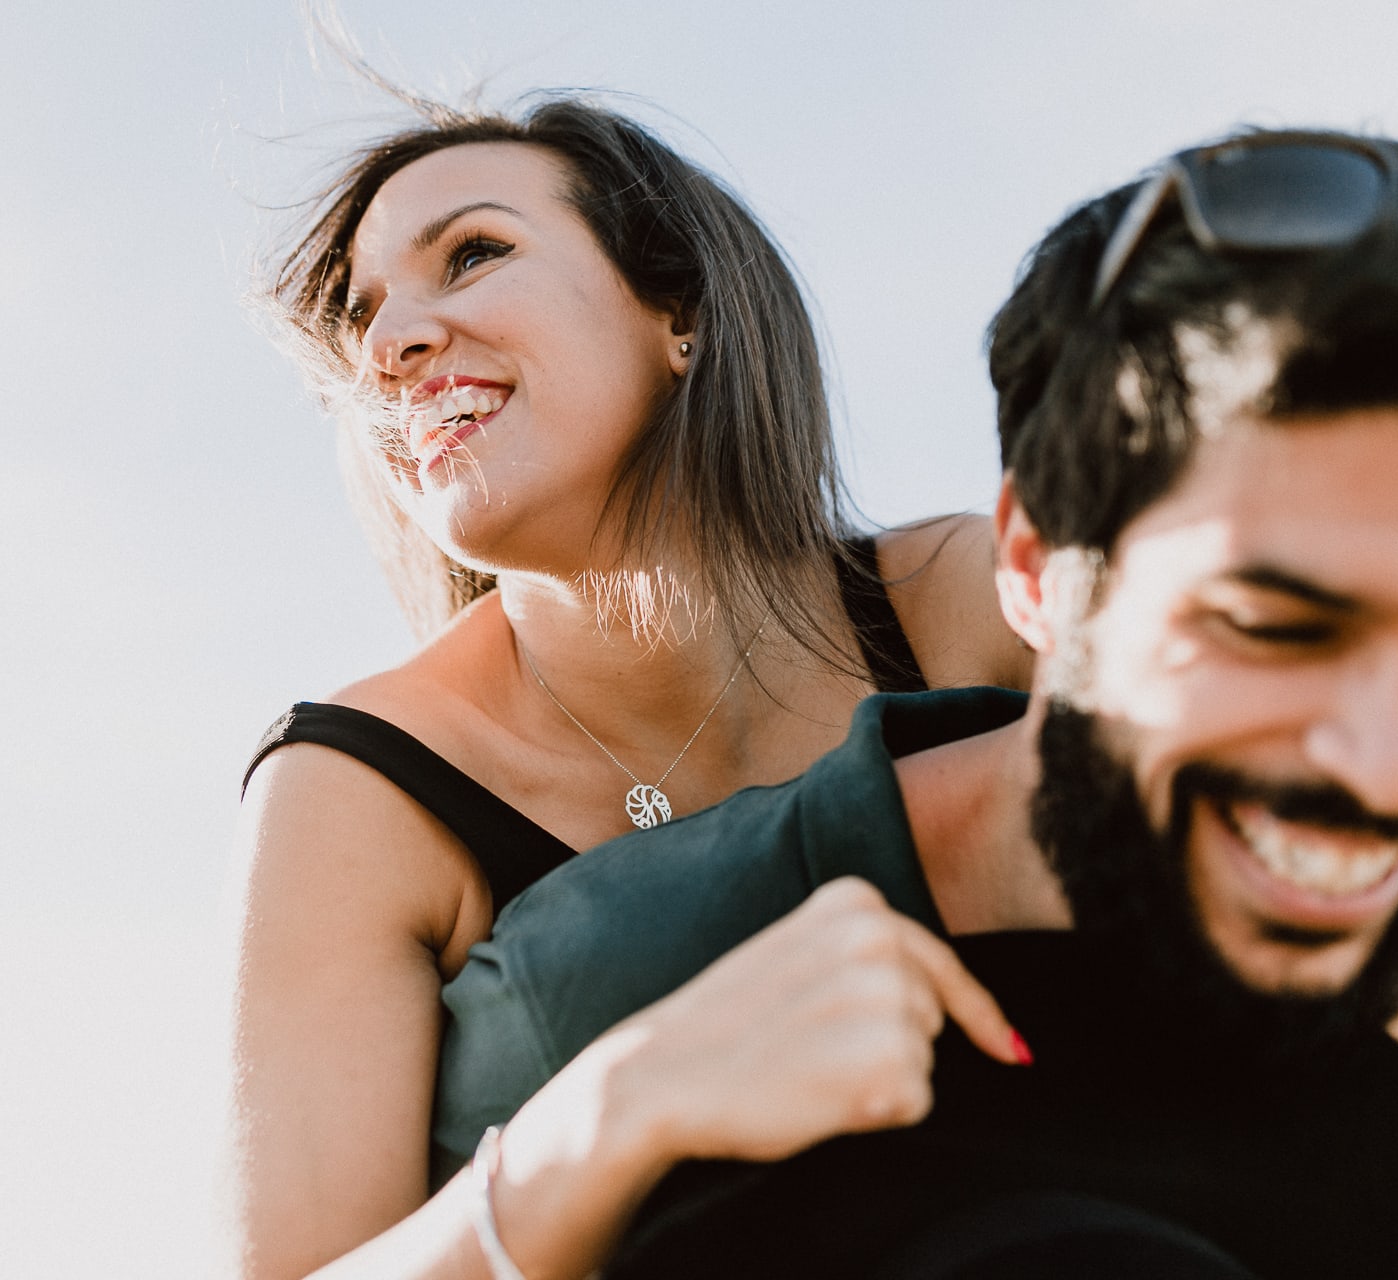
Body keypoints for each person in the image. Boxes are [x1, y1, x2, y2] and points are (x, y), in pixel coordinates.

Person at [429, 129, 1398, 1278]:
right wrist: (609, 1122)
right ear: (1032, 563)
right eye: (1272, 628)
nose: (1394, 768)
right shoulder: (621, 986)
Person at [231, 95, 1031, 1279]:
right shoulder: (355, 786)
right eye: (365, 316)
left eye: (473, 253)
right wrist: (620, 1099)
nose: (388, 345)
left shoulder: (962, 601)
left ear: (682, 313)